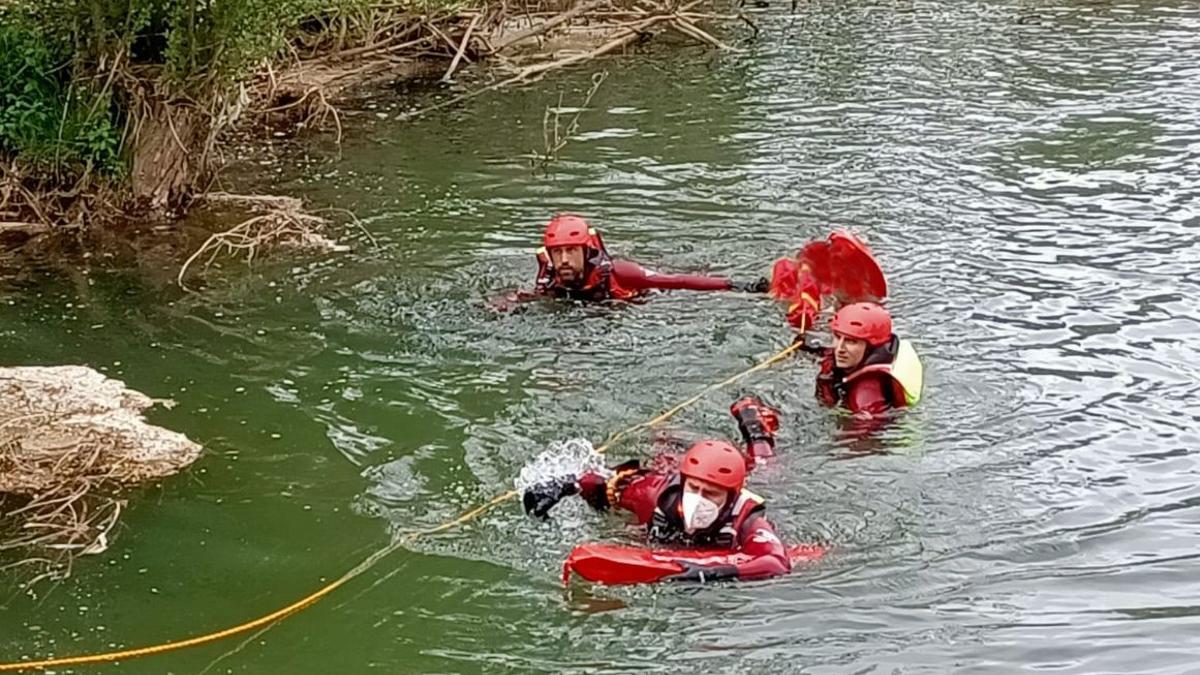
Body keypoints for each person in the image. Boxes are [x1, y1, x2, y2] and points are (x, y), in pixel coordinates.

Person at [522, 397, 792, 582]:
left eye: (711, 494)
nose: (698, 501)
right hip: (669, 468)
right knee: (666, 452)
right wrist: (567, 485)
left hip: (720, 546)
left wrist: (707, 572)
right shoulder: (655, 494)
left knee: (765, 469)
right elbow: (605, 484)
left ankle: (756, 428)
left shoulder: (748, 518)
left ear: (731, 498)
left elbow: (775, 562)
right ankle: (667, 435)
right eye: (694, 489)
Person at [503, 214, 769, 305]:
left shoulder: (620, 272)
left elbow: (678, 282)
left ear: (585, 251)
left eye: (571, 251)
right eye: (557, 252)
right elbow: (529, 296)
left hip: (652, 299)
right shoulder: (550, 279)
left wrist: (739, 286)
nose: (563, 260)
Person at [816, 302, 923, 417]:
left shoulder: (865, 395)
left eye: (851, 341)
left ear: (871, 347)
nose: (839, 348)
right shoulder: (884, 349)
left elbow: (862, 432)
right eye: (837, 337)